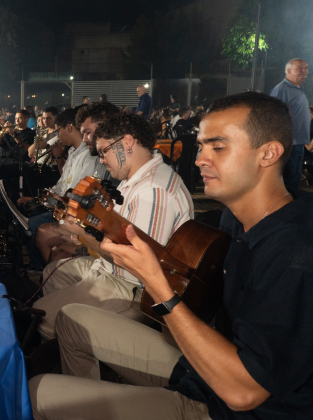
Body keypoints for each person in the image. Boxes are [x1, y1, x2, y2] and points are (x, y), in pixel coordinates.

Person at [29, 91, 313, 420]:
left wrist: (158, 286)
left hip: (225, 407)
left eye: (218, 147)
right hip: (201, 370)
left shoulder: (296, 254)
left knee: (38, 392)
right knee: (71, 320)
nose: (200, 159)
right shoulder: (233, 220)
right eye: (202, 145)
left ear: (269, 153)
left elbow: (244, 391)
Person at [32, 113, 193, 341]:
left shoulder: (153, 191)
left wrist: (83, 234)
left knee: (42, 317)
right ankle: (77, 344)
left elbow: (134, 267)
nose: (101, 159)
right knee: (52, 273)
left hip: (131, 288)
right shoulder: (136, 178)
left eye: (104, 151)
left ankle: (79, 346)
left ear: (127, 142)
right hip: (114, 272)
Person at [19, 106, 97, 270]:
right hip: (60, 203)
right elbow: (62, 183)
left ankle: (40, 267)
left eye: (59, 131)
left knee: (32, 224)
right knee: (25, 213)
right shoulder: (74, 153)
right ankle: (40, 266)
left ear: (69, 127)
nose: (58, 135)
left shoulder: (87, 157)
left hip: (70, 211)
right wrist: (40, 198)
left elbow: (75, 194)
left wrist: (52, 199)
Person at [270, 58, 309, 189]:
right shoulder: (282, 89)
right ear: (288, 70)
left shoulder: (299, 88)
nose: (304, 71)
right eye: (300, 68)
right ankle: (285, 206)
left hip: (298, 141)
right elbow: (273, 114)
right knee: (289, 177)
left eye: (306, 68)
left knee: (296, 176)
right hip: (287, 142)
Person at [76, 102, 119, 181]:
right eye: (83, 134)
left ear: (105, 127)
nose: (84, 139)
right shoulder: (98, 159)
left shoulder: (118, 166)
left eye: (88, 133)